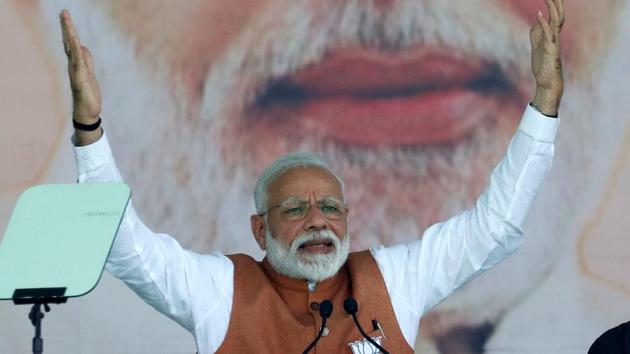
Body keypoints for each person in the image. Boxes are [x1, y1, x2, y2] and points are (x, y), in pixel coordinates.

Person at [59, 0, 564, 352]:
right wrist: (89, 129)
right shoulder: (219, 292)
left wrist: (543, 105)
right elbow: (126, 248)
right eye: (295, 209)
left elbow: (494, 228)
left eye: (329, 208)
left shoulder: (395, 280)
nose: (317, 221)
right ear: (260, 230)